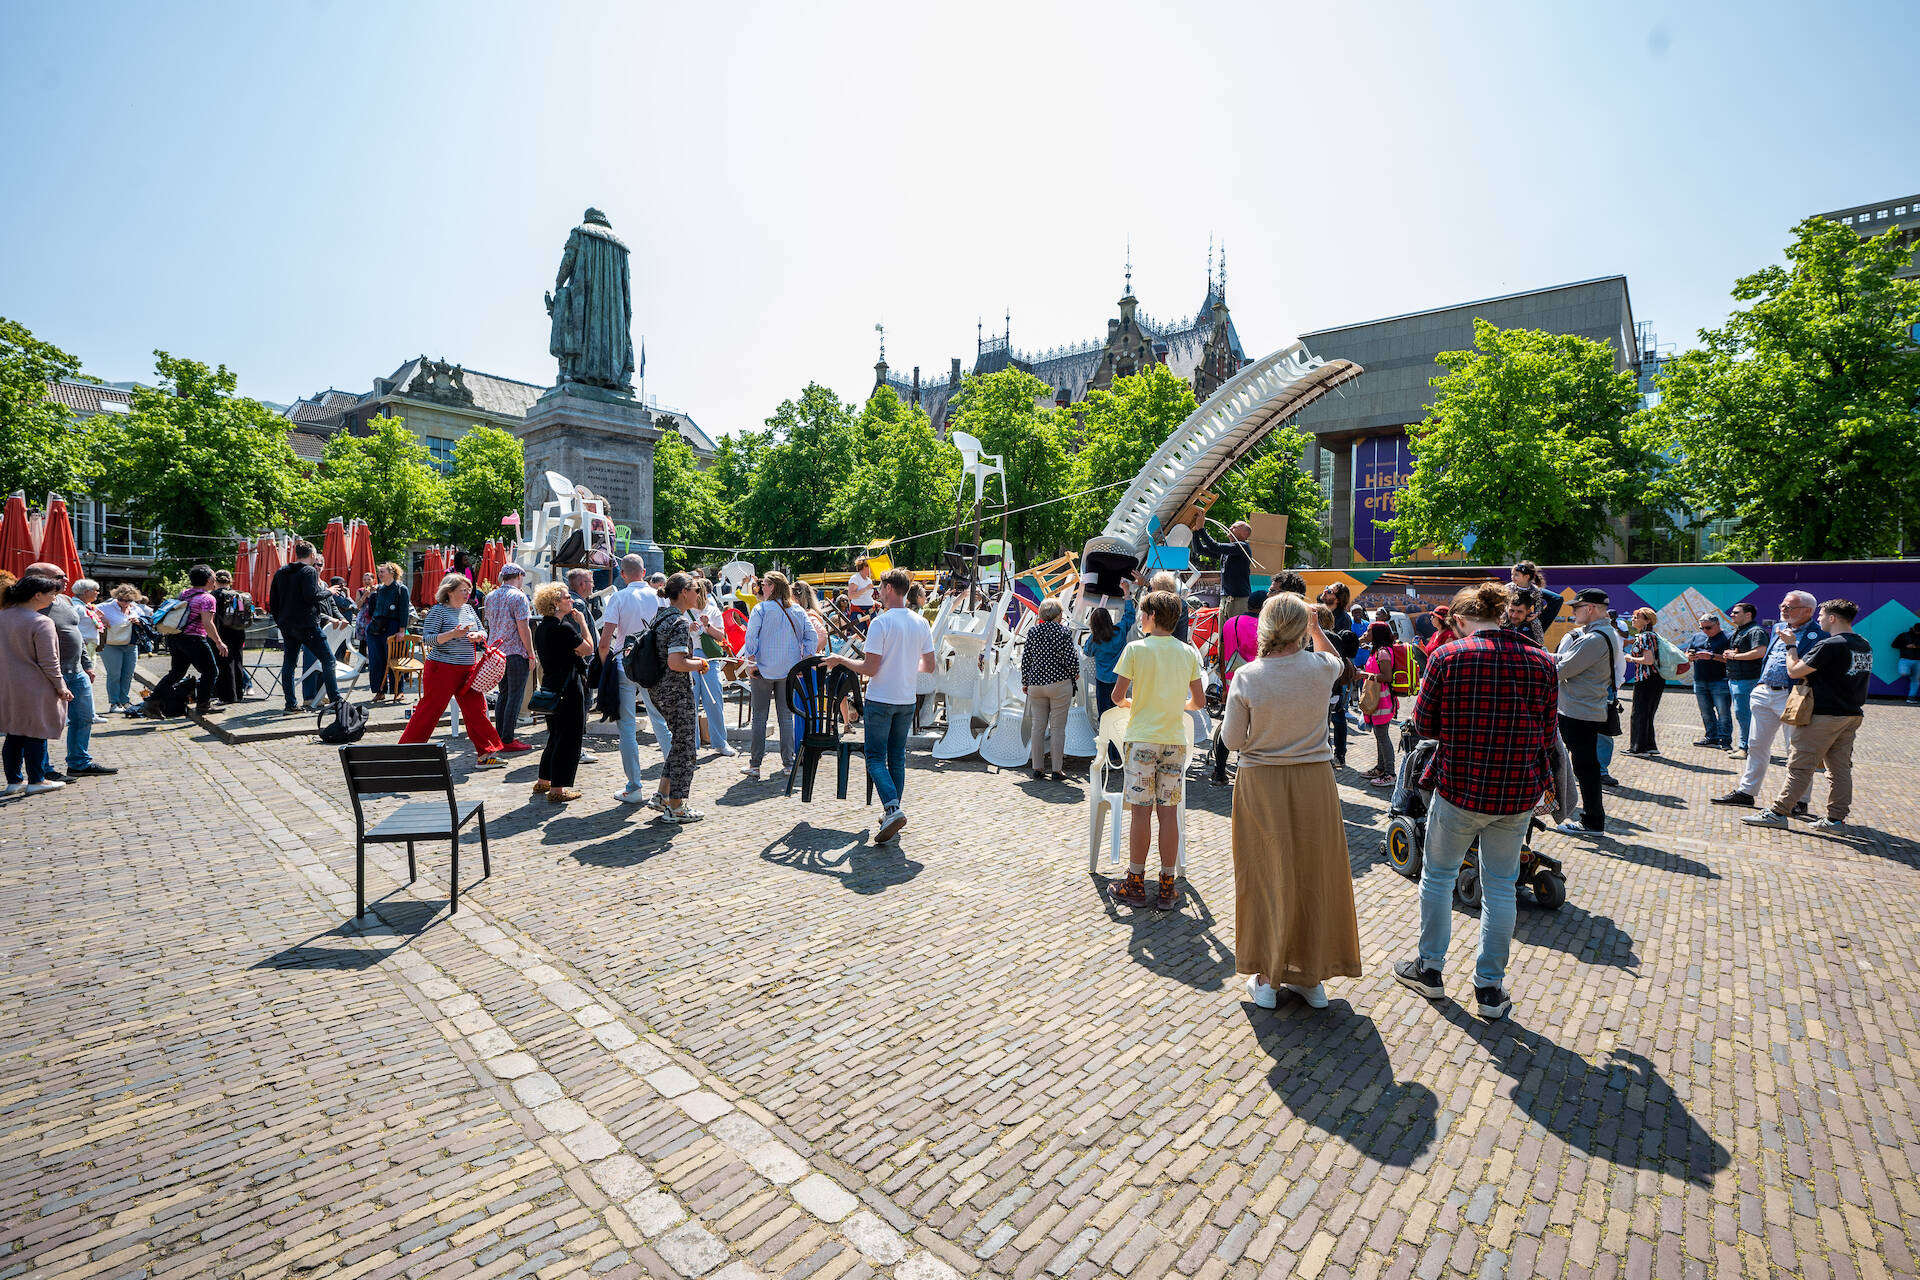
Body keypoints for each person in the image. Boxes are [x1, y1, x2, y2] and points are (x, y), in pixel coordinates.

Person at [1393, 581, 1559, 1023]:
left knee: (1438, 876)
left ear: (1462, 621)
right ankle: (1489, 987)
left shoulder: (1449, 656)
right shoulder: (1542, 661)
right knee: (1501, 886)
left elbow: (1423, 723)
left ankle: (1429, 969)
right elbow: (1547, 735)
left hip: (1460, 786)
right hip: (1516, 792)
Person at [1221, 592, 1356, 1010]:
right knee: (1315, 875)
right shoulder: (1320, 668)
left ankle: (1268, 978)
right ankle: (1310, 976)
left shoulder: (1248, 676)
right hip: (1314, 779)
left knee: (1266, 875)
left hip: (1262, 781)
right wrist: (1316, 628)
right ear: (1302, 628)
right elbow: (1338, 664)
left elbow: (1230, 740)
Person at [1108, 590, 1206, 910]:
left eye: (1142, 613)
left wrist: (1132, 703)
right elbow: (1199, 703)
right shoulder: (1188, 652)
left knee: (1140, 814)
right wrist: (1180, 706)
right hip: (1173, 741)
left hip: (1142, 739)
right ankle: (1167, 885)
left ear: (1150, 616)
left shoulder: (1135, 649)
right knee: (1168, 815)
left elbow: (1117, 696)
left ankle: (1135, 881)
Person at [821, 568, 934, 843]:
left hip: (882, 697)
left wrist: (841, 659)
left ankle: (893, 808)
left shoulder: (880, 623)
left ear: (891, 590)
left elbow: (870, 668)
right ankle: (892, 808)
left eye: (881, 588)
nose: (878, 592)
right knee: (896, 757)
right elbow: (929, 666)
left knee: (874, 757)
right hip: (906, 698)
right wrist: (905, 665)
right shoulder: (921, 623)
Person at [1743, 599, 1872, 832]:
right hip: (1851, 714)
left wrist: (1791, 646)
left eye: (1822, 615)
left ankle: (1778, 812)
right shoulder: (1863, 644)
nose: (1819, 618)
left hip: (1823, 714)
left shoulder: (1831, 644)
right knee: (1839, 769)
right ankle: (1836, 819)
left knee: (1799, 765)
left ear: (1832, 618)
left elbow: (1794, 670)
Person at [1714, 591, 1824, 810]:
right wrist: (1760, 684)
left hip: (1792, 695)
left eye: (1790, 607)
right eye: (1782, 605)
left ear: (1808, 611)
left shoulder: (1818, 635)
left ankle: (1799, 799)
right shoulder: (1777, 628)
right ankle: (1747, 792)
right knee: (1756, 745)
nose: (1783, 610)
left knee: (1795, 749)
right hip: (1765, 692)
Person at [397, 574, 506, 765]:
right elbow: (427, 638)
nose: (468, 594)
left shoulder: (469, 609)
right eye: (463, 590)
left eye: (468, 590)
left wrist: (477, 635)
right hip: (442, 669)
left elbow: (483, 631)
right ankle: (406, 754)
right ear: (449, 591)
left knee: (477, 710)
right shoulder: (438, 611)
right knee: (429, 711)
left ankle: (487, 753)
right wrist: (452, 634)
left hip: (468, 668)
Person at [598, 555, 677, 802]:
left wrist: (604, 666)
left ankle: (635, 786)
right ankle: (672, 781)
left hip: (624, 664)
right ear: (644, 572)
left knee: (628, 728)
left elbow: (605, 640)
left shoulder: (618, 598)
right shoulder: (658, 598)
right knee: (660, 722)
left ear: (623, 574)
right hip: (652, 666)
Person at [737, 571, 817, 782]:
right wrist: (805, 658)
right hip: (789, 670)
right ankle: (788, 764)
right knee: (785, 718)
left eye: (763, 584)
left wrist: (751, 661)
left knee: (759, 718)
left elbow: (751, 636)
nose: (761, 587)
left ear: (772, 586)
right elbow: (812, 636)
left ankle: (755, 765)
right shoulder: (798, 610)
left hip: (763, 669)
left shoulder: (761, 609)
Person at [1552, 588, 1617, 836]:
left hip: (1580, 711)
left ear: (1589, 608)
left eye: (1576, 607)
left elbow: (1562, 669)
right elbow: (1564, 659)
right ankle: (1591, 819)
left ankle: (1592, 821)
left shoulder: (1594, 638)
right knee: (1585, 766)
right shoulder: (1600, 634)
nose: (1573, 612)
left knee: (1585, 768)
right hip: (1584, 709)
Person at [1, 575, 73, 796]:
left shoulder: (2, 617)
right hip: (35, 684)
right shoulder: (41, 621)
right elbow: (49, 661)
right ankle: (37, 780)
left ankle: (14, 781)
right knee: (36, 732)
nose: (54, 598)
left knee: (14, 732)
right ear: (37, 595)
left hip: (6, 683)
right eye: (52, 593)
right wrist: (61, 686)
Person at [648, 573, 710, 823]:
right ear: (684, 592)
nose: (698, 593)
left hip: (658, 689)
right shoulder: (680, 622)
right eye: (696, 589)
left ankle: (662, 795)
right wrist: (699, 664)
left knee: (678, 743)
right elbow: (676, 662)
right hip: (675, 691)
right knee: (686, 748)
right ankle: (676, 806)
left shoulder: (661, 616)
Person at [530, 582, 593, 804]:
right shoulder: (563, 628)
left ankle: (543, 780)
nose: (571, 600)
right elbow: (588, 648)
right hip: (568, 688)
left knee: (556, 735)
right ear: (555, 603)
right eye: (566, 598)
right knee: (569, 738)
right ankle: (557, 788)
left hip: (551, 686)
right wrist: (583, 623)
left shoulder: (543, 628)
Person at [267, 540, 341, 713]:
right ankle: (336, 700)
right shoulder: (309, 571)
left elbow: (274, 601)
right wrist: (329, 591)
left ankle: (291, 704)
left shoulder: (281, 571)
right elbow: (311, 596)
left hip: (287, 625)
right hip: (307, 625)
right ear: (312, 555)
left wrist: (281, 621)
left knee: (289, 664)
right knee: (329, 660)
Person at [148, 564, 227, 722]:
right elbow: (207, 623)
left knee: (176, 673)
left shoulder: (185, 594)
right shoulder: (207, 598)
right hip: (194, 638)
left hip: (176, 637)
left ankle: (152, 702)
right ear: (209, 579)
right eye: (213, 577)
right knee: (211, 672)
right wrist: (219, 642)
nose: (215, 580)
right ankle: (203, 705)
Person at [1210, 590, 1264, 786]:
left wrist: (1224, 684)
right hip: (1256, 680)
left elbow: (1223, 655)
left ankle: (1219, 771)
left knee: (1229, 725)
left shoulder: (1229, 622)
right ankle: (1245, 771)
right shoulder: (1264, 625)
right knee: (1254, 729)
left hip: (1232, 680)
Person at [1020, 598, 1077, 780]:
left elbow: (1026, 659)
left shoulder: (1033, 632)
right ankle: (1056, 769)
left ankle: (1037, 767)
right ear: (1058, 615)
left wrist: (1025, 681)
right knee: (1057, 728)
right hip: (1059, 682)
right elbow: (1070, 658)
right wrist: (1075, 672)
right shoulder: (1063, 632)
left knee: (1038, 726)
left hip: (1036, 683)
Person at [483, 564, 535, 753]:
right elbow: (523, 628)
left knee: (503, 695)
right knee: (515, 695)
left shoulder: (490, 596)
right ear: (520, 576)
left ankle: (500, 735)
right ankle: (508, 738)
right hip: (514, 652)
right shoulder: (519, 596)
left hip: (496, 652)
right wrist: (531, 653)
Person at [1624, 608, 1688, 756]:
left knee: (1639, 713)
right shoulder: (1654, 635)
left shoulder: (1644, 637)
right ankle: (1650, 746)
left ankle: (1638, 748)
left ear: (1647, 621)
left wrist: (1630, 658)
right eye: (1633, 616)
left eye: (1636, 617)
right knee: (1648, 714)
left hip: (1645, 678)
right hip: (1657, 678)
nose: (1633, 619)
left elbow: (1648, 660)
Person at [688, 577, 738, 756]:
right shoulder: (685, 610)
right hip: (690, 655)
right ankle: (691, 746)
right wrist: (690, 628)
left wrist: (707, 625)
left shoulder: (712, 610)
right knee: (690, 701)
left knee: (714, 700)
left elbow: (721, 636)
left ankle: (719, 742)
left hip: (710, 656)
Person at [1358, 621, 1402, 788]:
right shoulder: (1377, 650)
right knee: (1379, 735)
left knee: (1383, 737)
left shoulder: (1383, 653)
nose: (1366, 633)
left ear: (1376, 634)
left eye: (1369, 631)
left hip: (1382, 699)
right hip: (1377, 698)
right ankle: (1380, 768)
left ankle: (1390, 774)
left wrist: (1363, 675)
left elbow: (1387, 677)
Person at [1722, 602, 1768, 758]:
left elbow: (1760, 652)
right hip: (1736, 678)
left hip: (1747, 680)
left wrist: (1734, 656)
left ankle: (1746, 748)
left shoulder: (1756, 632)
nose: (1732, 615)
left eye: (1736, 612)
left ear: (1748, 615)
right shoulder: (1741, 631)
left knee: (1745, 715)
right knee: (1741, 714)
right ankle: (1746, 746)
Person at [1189, 519, 1256, 625]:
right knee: (1222, 633)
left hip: (1239, 599)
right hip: (1225, 598)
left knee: (1236, 631)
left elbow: (1215, 546)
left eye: (1234, 527)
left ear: (1244, 534)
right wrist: (1195, 531)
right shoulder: (1227, 551)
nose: (1229, 528)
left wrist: (1202, 528)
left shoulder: (1243, 547)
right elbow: (1199, 549)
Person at [365, 562, 411, 703]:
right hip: (375, 628)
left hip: (393, 627)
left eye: (382, 572)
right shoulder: (378, 590)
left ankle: (398, 691)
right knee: (376, 661)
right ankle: (380, 691)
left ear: (392, 573)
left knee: (394, 660)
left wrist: (402, 630)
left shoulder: (401, 589)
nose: (379, 574)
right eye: (379, 572)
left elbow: (404, 611)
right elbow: (371, 611)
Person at [1685, 612, 1733, 749]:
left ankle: (1725, 741)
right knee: (1706, 712)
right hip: (1700, 680)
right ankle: (1711, 738)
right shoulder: (1697, 636)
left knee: (1723, 713)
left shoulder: (1728, 637)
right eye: (1702, 628)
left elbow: (1730, 659)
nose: (1705, 631)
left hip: (1720, 680)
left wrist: (1711, 656)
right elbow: (1687, 654)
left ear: (1718, 624)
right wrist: (1690, 656)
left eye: (1708, 628)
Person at [98, 584, 148, 711]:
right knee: (114, 674)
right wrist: (101, 618)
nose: (125, 603)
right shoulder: (106, 607)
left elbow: (147, 622)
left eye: (129, 600)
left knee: (128, 674)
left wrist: (139, 622)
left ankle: (124, 701)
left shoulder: (136, 608)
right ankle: (114, 703)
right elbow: (89, 610)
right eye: (121, 599)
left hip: (131, 645)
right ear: (116, 597)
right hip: (111, 645)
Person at [208, 569, 251, 704]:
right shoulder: (238, 595)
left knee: (224, 664)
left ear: (215, 581)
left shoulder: (213, 596)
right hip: (239, 632)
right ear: (230, 581)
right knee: (238, 662)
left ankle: (227, 696)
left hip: (221, 633)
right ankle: (239, 693)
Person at [1083, 606, 1128, 722]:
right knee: (1117, 709)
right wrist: (1127, 597)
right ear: (1109, 619)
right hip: (1119, 678)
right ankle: (1115, 736)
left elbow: (1087, 651)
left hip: (1102, 680)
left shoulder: (1095, 639)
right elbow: (1129, 616)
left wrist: (1092, 634)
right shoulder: (1120, 631)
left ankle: (1104, 734)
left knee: (1103, 711)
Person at [1511, 561, 1560, 641]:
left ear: (1526, 577)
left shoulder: (1535, 590)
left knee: (1536, 624)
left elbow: (1539, 604)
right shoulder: (1509, 587)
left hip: (1527, 615)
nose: (1513, 577)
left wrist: (1535, 615)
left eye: (1516, 575)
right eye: (1512, 574)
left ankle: (1538, 643)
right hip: (1511, 612)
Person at [792, 580, 831, 656]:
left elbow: (823, 635)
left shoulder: (808, 615)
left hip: (804, 662)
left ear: (796, 598)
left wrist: (808, 652)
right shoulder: (807, 613)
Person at [1891, 619, 1920, 705]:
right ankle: (1911, 674)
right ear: (1913, 629)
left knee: (1916, 680)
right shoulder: (1904, 635)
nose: (1918, 633)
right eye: (1917, 631)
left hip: (1918, 661)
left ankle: (1911, 698)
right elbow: (1893, 645)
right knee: (1904, 673)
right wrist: (1906, 646)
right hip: (1905, 659)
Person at [847, 556, 876, 625]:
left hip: (870, 610)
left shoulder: (869, 580)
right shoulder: (855, 578)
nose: (871, 569)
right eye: (869, 566)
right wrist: (866, 588)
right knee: (858, 634)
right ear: (864, 567)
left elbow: (867, 596)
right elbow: (851, 596)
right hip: (859, 610)